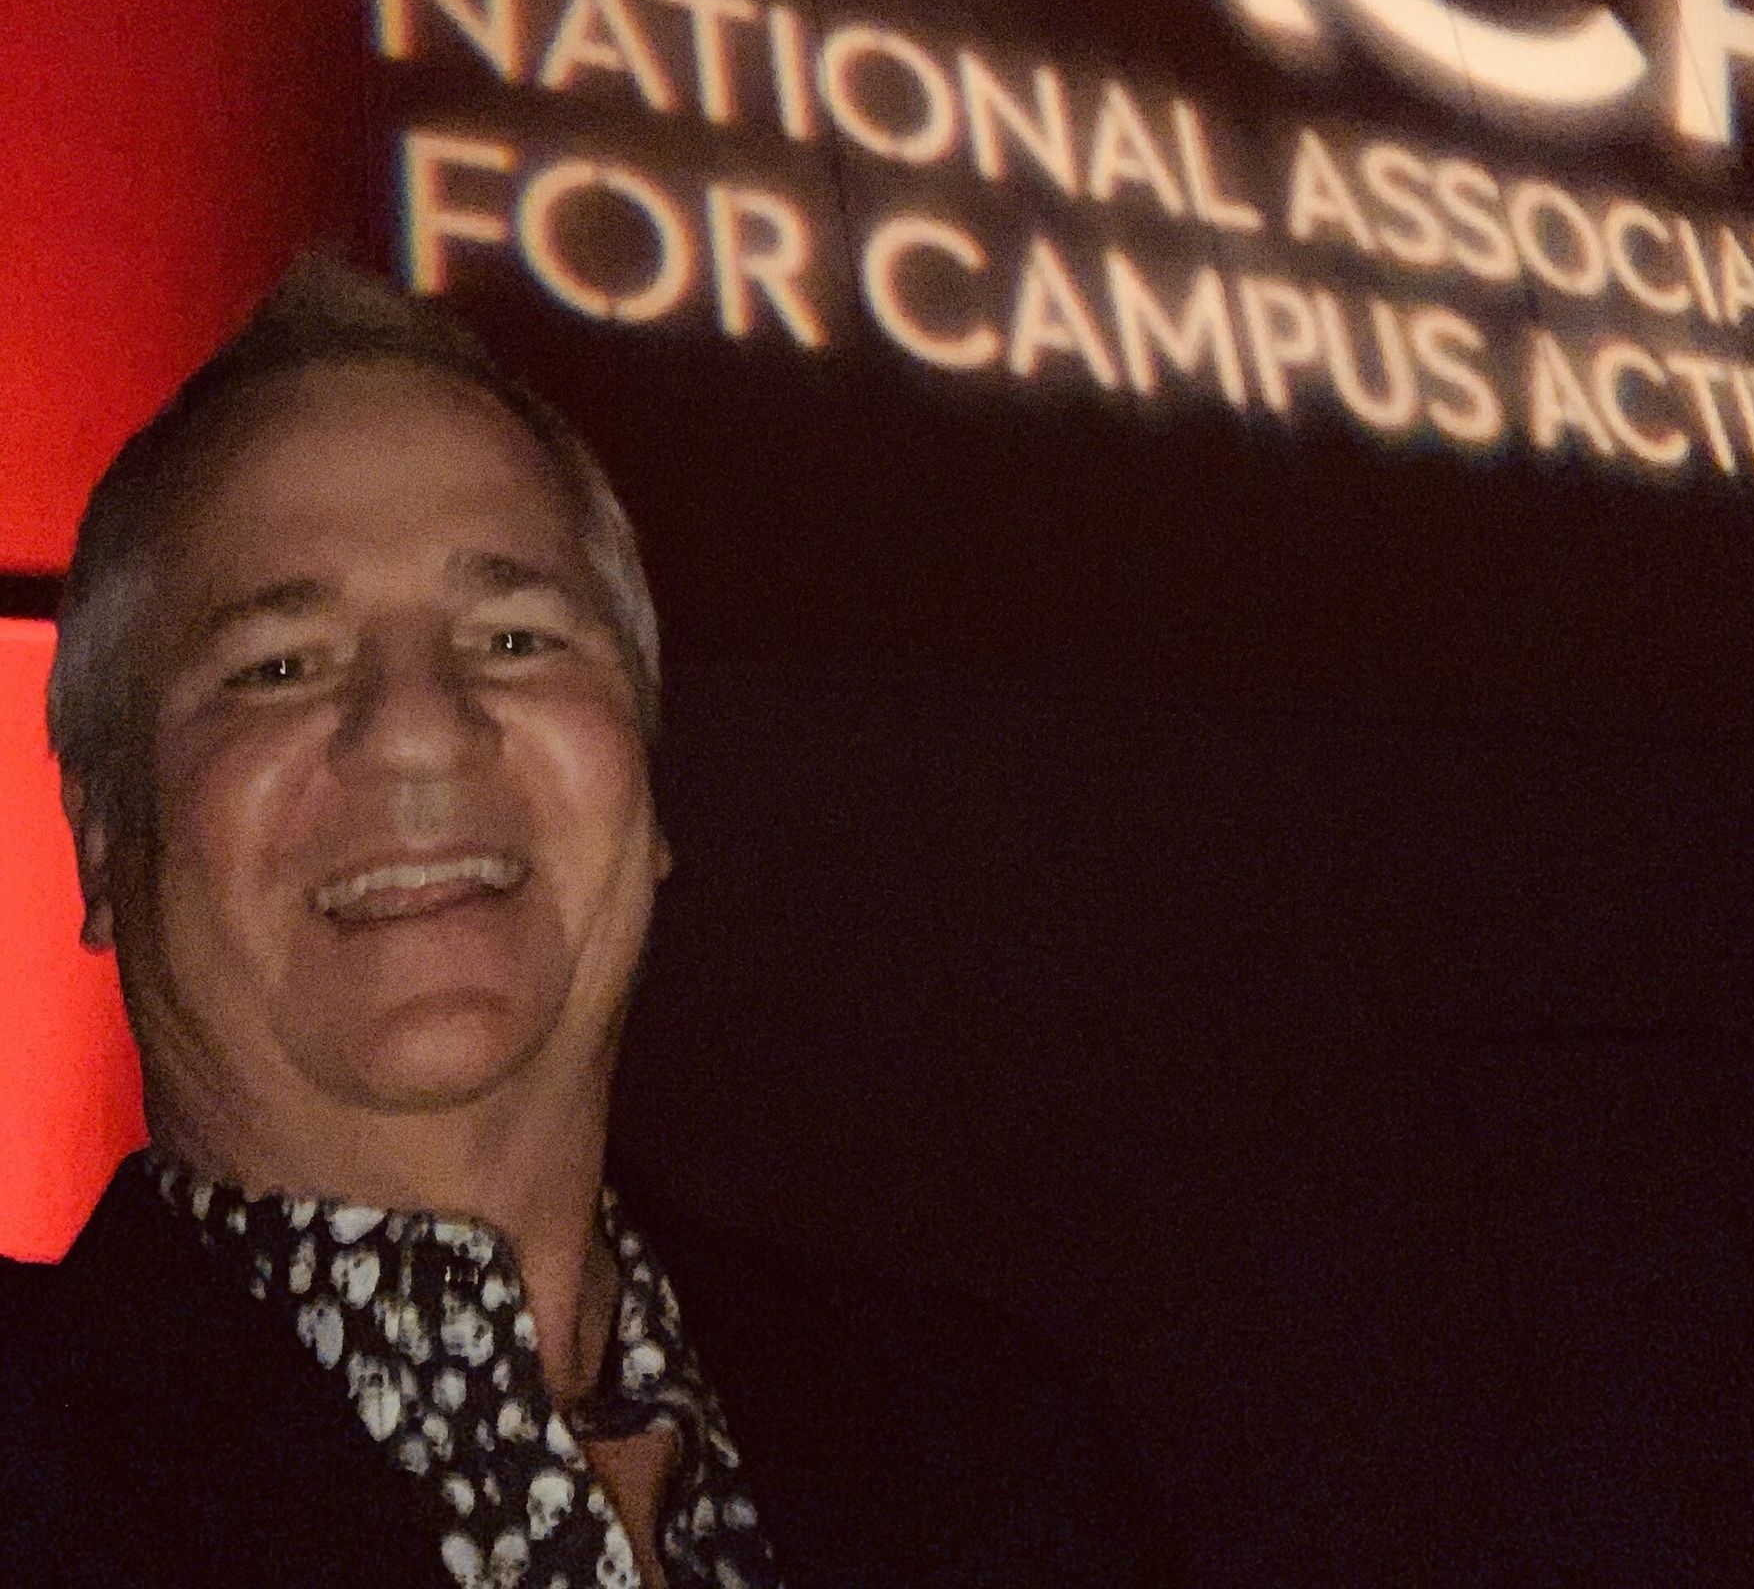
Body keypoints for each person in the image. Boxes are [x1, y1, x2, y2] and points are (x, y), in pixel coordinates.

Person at [0, 261, 1182, 1589]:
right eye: (278, 666)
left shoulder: (1005, 1452)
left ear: (648, 786)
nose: (420, 730)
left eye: (515, 638)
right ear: (103, 837)